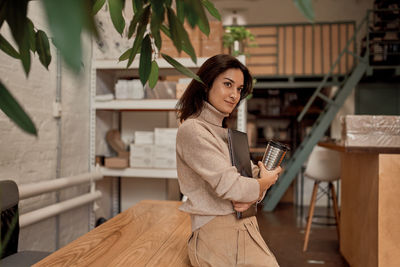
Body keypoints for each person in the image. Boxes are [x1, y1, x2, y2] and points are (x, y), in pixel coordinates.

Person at [176, 54, 282, 266]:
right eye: (228, 84)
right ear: (206, 84)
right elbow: (233, 187)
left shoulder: (226, 133)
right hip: (216, 234)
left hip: (245, 227)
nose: (234, 95)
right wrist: (266, 182)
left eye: (239, 89)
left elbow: (249, 178)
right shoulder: (193, 130)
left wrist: (256, 187)